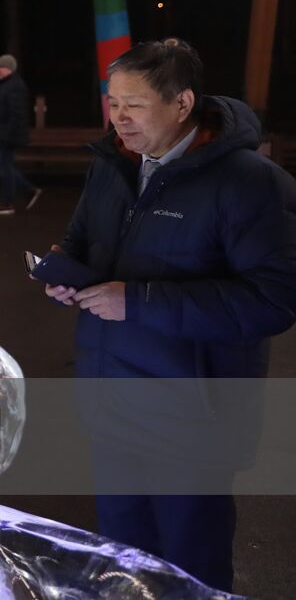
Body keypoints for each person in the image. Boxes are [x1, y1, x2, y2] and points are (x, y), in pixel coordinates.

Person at [40, 39, 296, 591]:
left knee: (190, 568)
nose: (119, 119)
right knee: (125, 563)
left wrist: (136, 300)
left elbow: (275, 299)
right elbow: (80, 240)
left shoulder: (248, 182)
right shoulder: (112, 166)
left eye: (134, 105)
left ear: (183, 104)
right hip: (111, 406)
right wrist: (65, 269)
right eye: (113, 103)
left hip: (192, 421)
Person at [0, 54, 40, 215]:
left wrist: (5, 137)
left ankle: (10, 202)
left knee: (4, 168)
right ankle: (26, 192)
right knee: (5, 167)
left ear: (9, 68)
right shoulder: (9, 85)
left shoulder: (13, 86)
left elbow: (16, 115)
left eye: (1, 67)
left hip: (7, 136)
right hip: (5, 135)